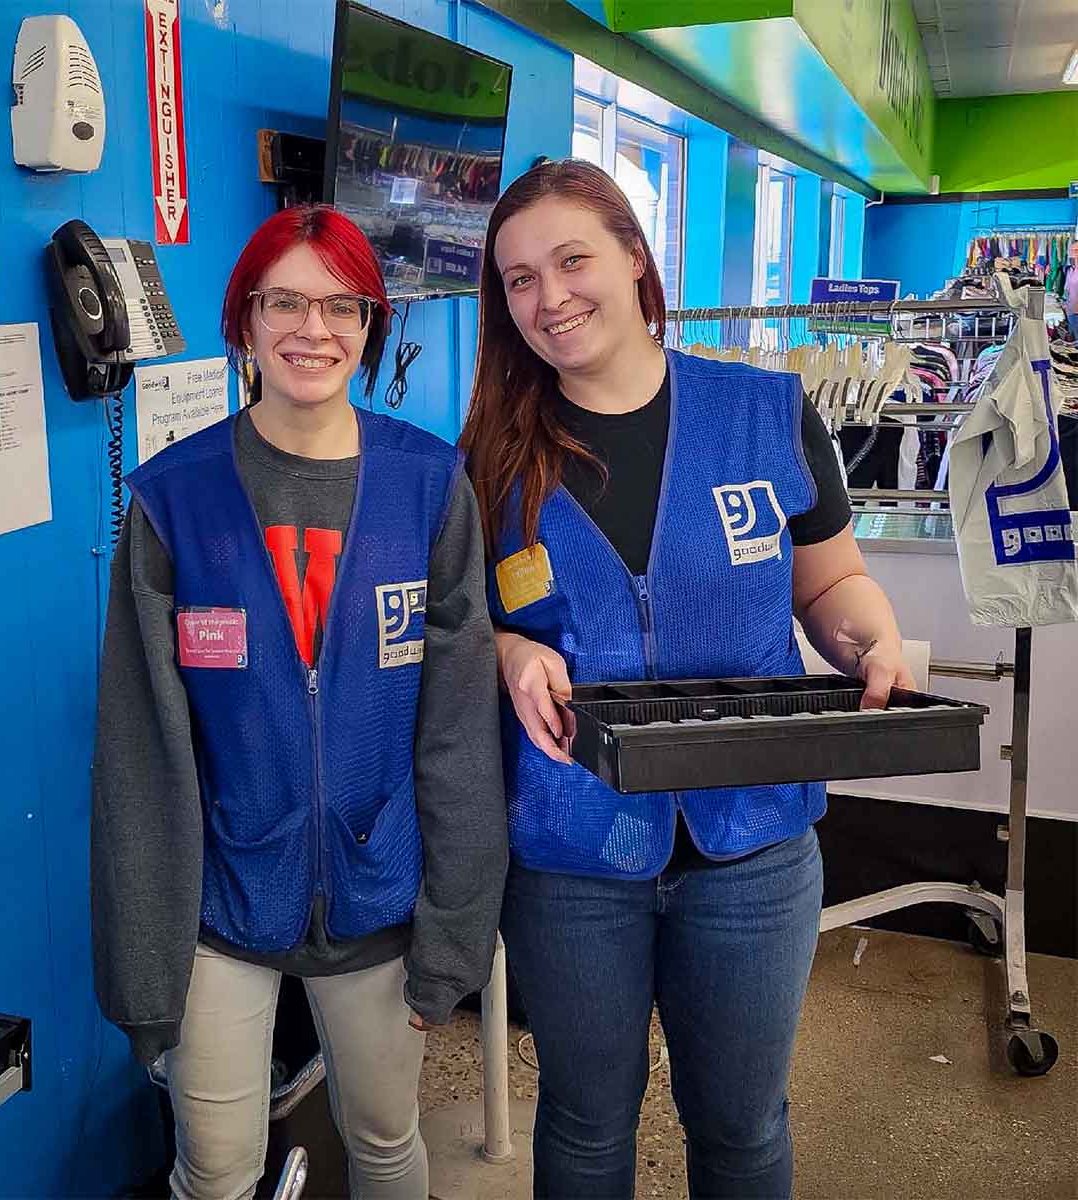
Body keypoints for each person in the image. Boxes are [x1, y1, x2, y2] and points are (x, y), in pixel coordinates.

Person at [459, 160, 916, 1200]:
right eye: (518, 279)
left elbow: (832, 582)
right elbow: (462, 623)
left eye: (572, 260)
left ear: (633, 257)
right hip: (573, 850)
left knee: (743, 1128)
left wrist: (867, 641)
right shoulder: (491, 452)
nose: (549, 296)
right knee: (582, 1122)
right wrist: (508, 650)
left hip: (751, 842)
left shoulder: (768, 414)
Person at [91, 205, 506, 1200]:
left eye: (341, 306)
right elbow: (140, 752)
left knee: (384, 1138)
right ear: (243, 322)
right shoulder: (171, 500)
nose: (313, 330)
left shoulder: (428, 486)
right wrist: (147, 970)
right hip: (222, 904)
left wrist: (454, 932)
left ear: (370, 327)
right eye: (285, 301)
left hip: (379, 895)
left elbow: (457, 731)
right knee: (219, 1169)